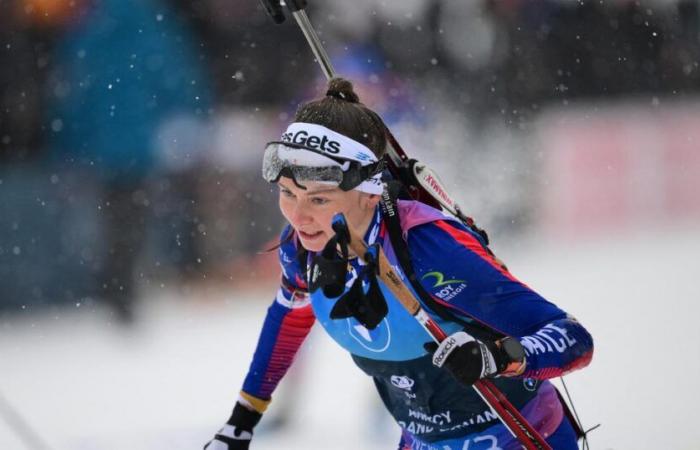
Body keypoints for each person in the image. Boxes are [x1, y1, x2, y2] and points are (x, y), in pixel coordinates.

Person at [204, 78, 593, 450]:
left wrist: (501, 357)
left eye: (319, 200)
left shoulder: (429, 249)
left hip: (520, 438)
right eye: (287, 194)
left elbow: (572, 338)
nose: (298, 216)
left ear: (370, 195)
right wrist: (241, 422)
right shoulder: (304, 248)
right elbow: (288, 320)